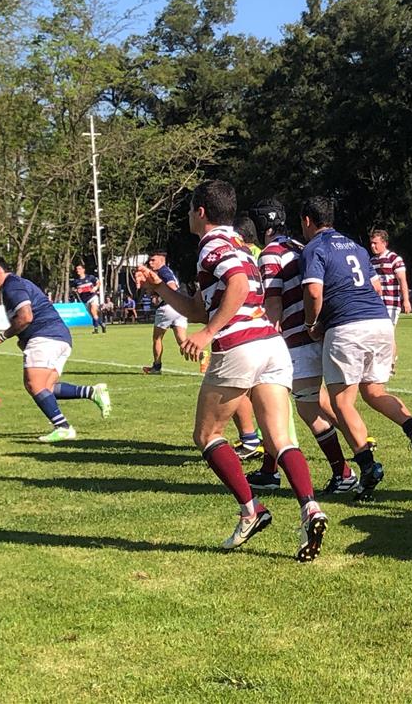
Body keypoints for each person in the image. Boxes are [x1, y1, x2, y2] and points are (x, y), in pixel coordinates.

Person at [134, 180, 328, 558]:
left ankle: (250, 510)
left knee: (206, 434)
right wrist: (159, 287)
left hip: (240, 346)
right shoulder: (240, 243)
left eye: (190, 209)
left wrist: (207, 334)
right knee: (279, 438)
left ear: (201, 211)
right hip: (272, 345)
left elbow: (236, 286)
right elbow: (197, 307)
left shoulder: (211, 244)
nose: (189, 216)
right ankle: (310, 507)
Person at [299, 196, 412, 499]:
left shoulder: (314, 248)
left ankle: (367, 465)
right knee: (374, 391)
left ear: (307, 221)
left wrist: (311, 323)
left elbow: (312, 290)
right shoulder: (356, 247)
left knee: (342, 403)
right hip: (379, 321)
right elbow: (375, 288)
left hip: (347, 327)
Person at [250, 199, 354, 494]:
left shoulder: (270, 253)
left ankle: (345, 471)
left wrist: (262, 339)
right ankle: (269, 471)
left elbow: (272, 303)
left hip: (297, 339)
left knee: (304, 409)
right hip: (321, 335)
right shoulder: (298, 246)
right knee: (281, 403)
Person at [0, 258, 111, 438]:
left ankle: (63, 428)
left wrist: (2, 336)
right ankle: (92, 391)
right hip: (60, 337)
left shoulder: (12, 286)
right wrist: (23, 339)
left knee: (34, 384)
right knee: (47, 387)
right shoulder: (15, 285)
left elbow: (26, 317)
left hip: (45, 336)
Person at [142, 250, 190, 375]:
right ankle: (202, 356)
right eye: (150, 260)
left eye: (153, 260)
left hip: (168, 308)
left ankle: (156, 367)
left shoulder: (163, 272)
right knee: (182, 341)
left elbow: (172, 287)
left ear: (162, 260)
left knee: (157, 338)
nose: (150, 263)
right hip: (180, 308)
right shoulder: (167, 271)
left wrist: (160, 297)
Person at [368, 229, 412, 364]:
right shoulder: (371, 261)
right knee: (377, 334)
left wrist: (406, 300)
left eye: (375, 243)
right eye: (371, 243)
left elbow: (402, 280)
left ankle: (391, 362)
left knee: (388, 333)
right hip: (376, 304)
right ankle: (385, 361)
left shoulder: (394, 259)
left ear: (384, 243)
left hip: (391, 302)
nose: (372, 246)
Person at [70, 264, 106, 334]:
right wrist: (76, 290)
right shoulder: (76, 281)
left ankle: (96, 330)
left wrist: (95, 288)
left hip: (93, 297)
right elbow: (73, 288)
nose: (78, 270)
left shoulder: (90, 277)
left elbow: (98, 283)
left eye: (79, 269)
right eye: (77, 269)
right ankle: (102, 324)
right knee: (93, 315)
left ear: (83, 270)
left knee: (93, 312)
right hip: (85, 300)